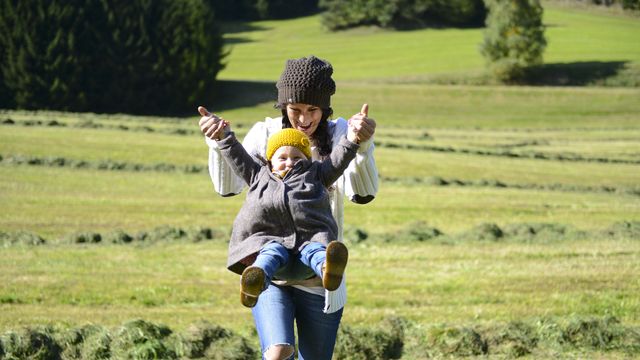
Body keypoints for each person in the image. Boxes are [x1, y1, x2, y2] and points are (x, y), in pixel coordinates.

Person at [199, 55, 378, 360]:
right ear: (284, 106)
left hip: (320, 277)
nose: (304, 120)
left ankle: (324, 263)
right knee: (278, 352)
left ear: (325, 109)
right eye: (295, 110)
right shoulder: (264, 134)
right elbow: (229, 187)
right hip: (270, 272)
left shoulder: (339, 133)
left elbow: (362, 194)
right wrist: (218, 141)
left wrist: (361, 145)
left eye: (313, 110)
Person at [212, 126, 357, 308]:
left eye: (297, 157)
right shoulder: (258, 175)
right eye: (282, 158)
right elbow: (237, 156)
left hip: (309, 244)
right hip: (270, 245)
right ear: (270, 160)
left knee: (316, 250)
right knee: (271, 253)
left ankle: (328, 271)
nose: (290, 163)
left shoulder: (316, 174)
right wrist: (223, 136)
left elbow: (339, 160)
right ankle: (255, 282)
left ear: (307, 159)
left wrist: (353, 139)